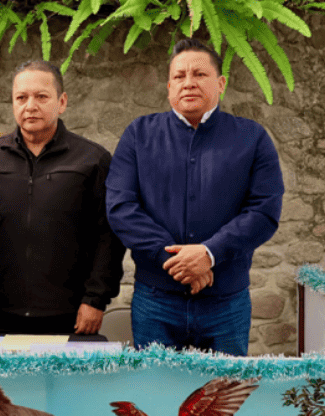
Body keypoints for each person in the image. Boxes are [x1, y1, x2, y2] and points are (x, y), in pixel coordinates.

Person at [106, 38, 284, 355]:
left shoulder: (252, 138)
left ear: (220, 83)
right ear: (169, 86)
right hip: (156, 301)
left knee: (223, 398)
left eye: (199, 74)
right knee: (156, 398)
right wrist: (176, 261)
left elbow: (264, 211)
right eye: (180, 76)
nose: (189, 83)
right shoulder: (139, 135)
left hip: (226, 302)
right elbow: (121, 208)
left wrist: (209, 254)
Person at [0, 61, 124, 335]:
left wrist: (96, 299)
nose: (30, 106)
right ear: (12, 103)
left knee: (66, 381)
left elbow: (108, 236)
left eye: (41, 97)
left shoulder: (93, 160)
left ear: (62, 102)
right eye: (21, 98)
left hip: (72, 315)